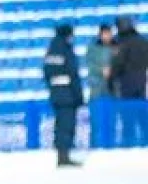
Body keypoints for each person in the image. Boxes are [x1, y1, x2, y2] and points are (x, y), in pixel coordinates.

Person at [42, 23, 84, 167]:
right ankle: (64, 157)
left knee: (60, 125)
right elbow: (73, 73)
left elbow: (47, 73)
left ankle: (61, 154)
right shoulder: (66, 50)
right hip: (68, 95)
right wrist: (79, 96)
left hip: (55, 94)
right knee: (67, 125)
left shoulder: (51, 50)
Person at [110, 15, 148, 147]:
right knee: (143, 116)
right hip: (142, 82)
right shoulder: (143, 41)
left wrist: (111, 77)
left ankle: (129, 144)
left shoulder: (121, 42)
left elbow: (118, 63)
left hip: (126, 83)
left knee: (128, 118)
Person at [84, 23, 113, 103]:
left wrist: (112, 70)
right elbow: (89, 64)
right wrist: (101, 70)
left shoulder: (115, 46)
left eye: (109, 34)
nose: (107, 36)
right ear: (100, 35)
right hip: (96, 84)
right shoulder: (92, 47)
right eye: (105, 34)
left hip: (111, 84)